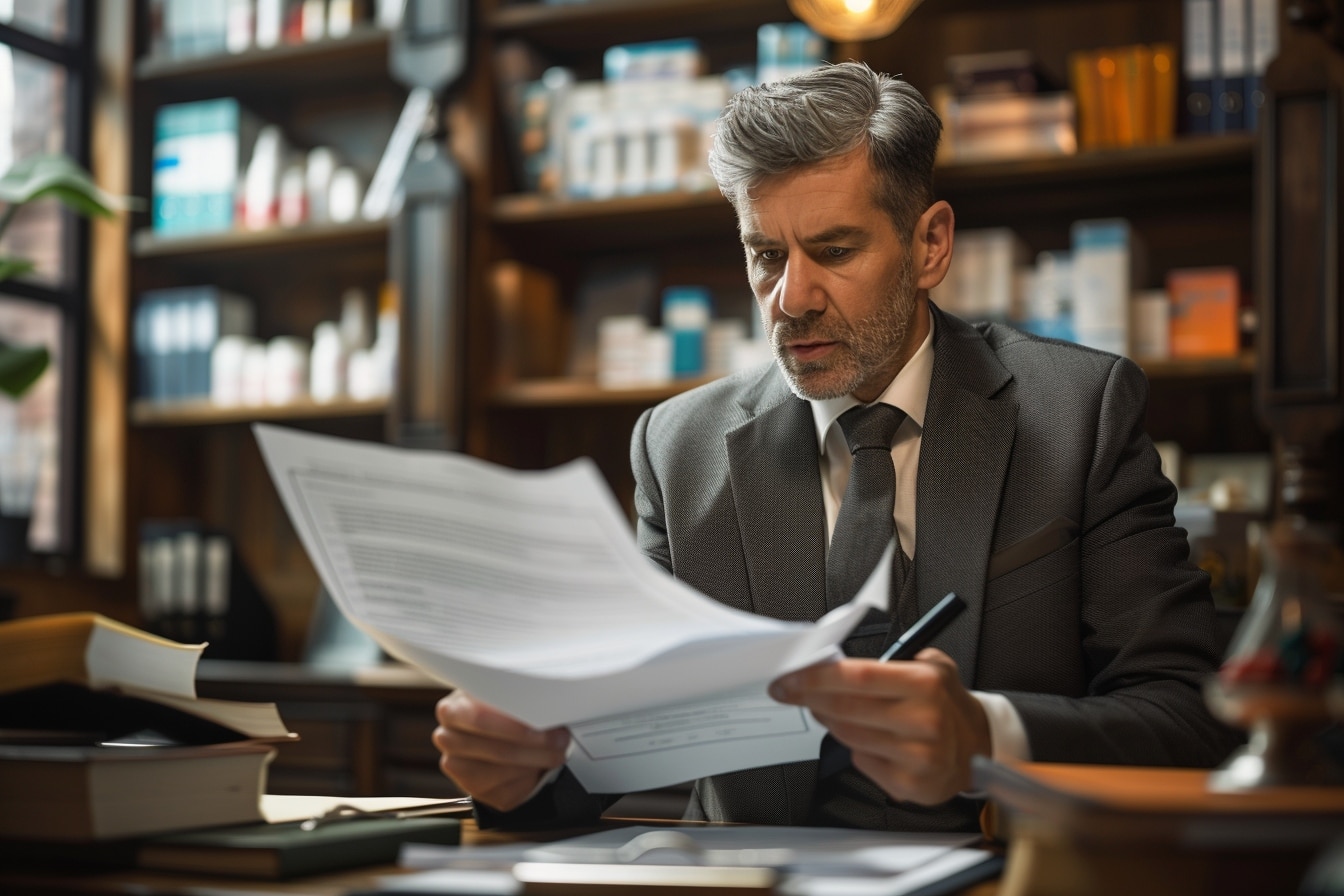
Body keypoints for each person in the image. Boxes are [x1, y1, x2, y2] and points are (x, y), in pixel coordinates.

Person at [433, 61, 1239, 832]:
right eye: (766, 255)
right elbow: (620, 739)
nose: (792, 299)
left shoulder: (1077, 414)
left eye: (836, 251)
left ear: (929, 246)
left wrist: (983, 736)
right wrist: (525, 767)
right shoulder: (679, 449)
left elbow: (1187, 716)